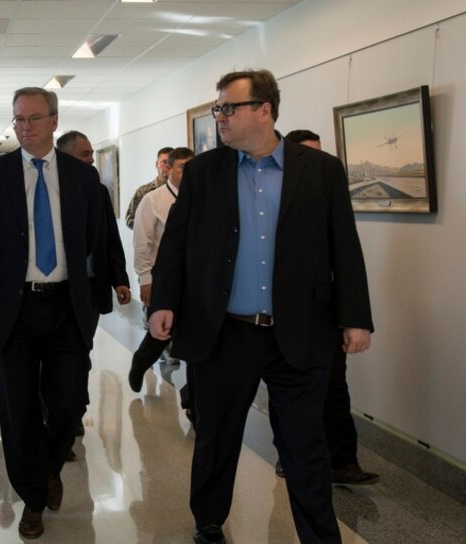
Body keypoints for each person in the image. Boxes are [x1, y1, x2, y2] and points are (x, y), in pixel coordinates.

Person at [147, 70, 373, 544]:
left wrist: (356, 317)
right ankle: (208, 522)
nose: (220, 117)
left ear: (264, 109)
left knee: (305, 447)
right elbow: (177, 246)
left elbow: (344, 248)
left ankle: (319, 535)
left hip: (301, 329)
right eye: (218, 108)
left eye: (230, 107)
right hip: (225, 332)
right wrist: (164, 302)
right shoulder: (205, 172)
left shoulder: (322, 171)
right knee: (217, 438)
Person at [0, 88, 101, 539]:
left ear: (54, 121)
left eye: (34, 119)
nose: (25, 128)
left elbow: (96, 238)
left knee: (68, 403)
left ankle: (49, 466)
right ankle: (33, 498)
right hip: (16, 309)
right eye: (18, 120)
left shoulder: (82, 179)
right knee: (18, 409)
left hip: (66, 305)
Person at [267, 129, 379, 486]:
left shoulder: (327, 187)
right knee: (287, 392)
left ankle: (344, 460)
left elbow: (347, 255)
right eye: (308, 155)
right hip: (281, 314)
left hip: (323, 310)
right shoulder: (274, 201)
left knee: (334, 388)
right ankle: (289, 454)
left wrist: (355, 318)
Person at [55, 130, 132, 441]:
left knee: (80, 350)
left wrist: (120, 279)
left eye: (91, 154)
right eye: (85, 154)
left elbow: (109, 238)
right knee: (59, 355)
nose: (91, 160)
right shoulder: (50, 189)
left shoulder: (98, 192)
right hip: (58, 288)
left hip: (89, 287)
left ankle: (74, 408)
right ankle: (60, 412)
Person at [128, 147, 194, 399]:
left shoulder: (201, 197)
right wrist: (145, 279)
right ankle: (140, 362)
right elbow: (142, 242)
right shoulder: (153, 200)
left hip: (194, 279)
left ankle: (190, 396)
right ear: (168, 169)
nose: (187, 173)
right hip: (162, 276)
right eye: (182, 168)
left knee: (192, 335)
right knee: (160, 333)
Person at [124, 147, 173, 229]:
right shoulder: (143, 191)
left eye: (170, 163)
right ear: (156, 164)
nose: (167, 166)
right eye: (163, 162)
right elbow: (129, 219)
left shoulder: (182, 190)